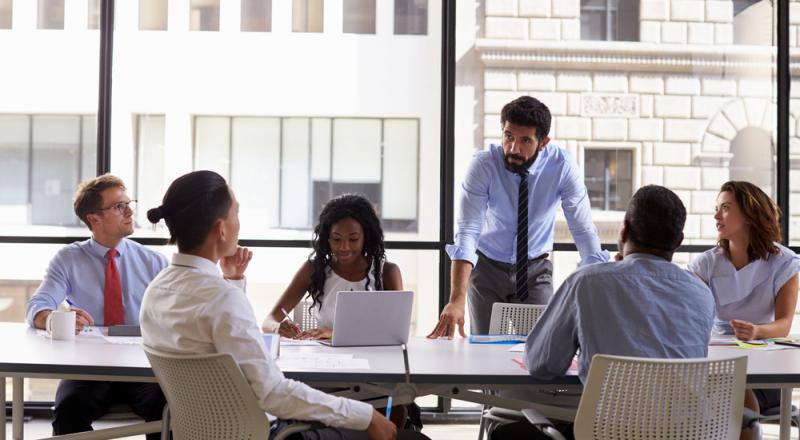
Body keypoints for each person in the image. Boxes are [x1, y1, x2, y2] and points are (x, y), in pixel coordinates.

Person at [141, 171, 426, 440]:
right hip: (270, 432)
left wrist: (233, 282)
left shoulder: (156, 290)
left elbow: (217, 339)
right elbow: (273, 394)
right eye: (236, 213)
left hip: (205, 430)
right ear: (221, 229)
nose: (239, 222)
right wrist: (366, 416)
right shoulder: (222, 298)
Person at [492, 185, 715, 439]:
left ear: (625, 230)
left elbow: (542, 363)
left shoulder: (587, 282)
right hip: (686, 433)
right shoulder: (701, 294)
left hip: (608, 431)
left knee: (506, 433)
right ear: (678, 241)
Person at [428, 95, 608, 338]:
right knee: (485, 353)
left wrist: (601, 289)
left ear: (543, 142)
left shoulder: (562, 166)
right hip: (488, 268)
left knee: (540, 350)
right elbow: (469, 230)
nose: (513, 148)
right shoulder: (483, 165)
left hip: (535, 270)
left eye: (525, 141)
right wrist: (456, 300)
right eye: (508, 136)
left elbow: (583, 229)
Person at [25, 174, 168, 439]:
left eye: (129, 203)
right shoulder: (68, 259)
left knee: (170, 409)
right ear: (94, 219)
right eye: (118, 206)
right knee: (69, 412)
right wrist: (55, 319)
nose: (130, 210)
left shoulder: (154, 262)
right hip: (87, 369)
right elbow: (38, 306)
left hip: (142, 366)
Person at [688, 181, 799, 424]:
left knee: (733, 393)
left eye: (725, 208)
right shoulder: (705, 265)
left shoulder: (784, 263)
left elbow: (783, 324)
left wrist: (757, 331)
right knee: (726, 388)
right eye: (717, 208)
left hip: (764, 362)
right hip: (716, 362)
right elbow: (692, 320)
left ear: (750, 215)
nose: (716, 215)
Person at [262, 194, 402, 340]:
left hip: (375, 357)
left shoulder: (387, 272)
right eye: (336, 239)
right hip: (326, 358)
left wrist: (333, 333)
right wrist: (278, 328)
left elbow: (397, 333)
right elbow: (268, 322)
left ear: (366, 237)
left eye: (353, 239)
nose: (344, 247)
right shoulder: (313, 269)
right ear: (326, 238)